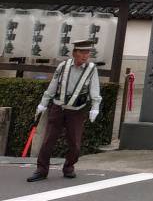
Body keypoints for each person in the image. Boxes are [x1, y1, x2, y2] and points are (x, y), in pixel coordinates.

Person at [28, 40, 101, 181]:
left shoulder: (91, 69)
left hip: (77, 110)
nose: (85, 56)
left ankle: (69, 167)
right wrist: (43, 104)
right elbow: (53, 85)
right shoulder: (63, 66)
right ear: (74, 53)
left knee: (74, 142)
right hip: (58, 108)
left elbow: (95, 89)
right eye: (82, 52)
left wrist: (95, 107)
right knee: (48, 140)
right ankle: (41, 170)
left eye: (87, 53)